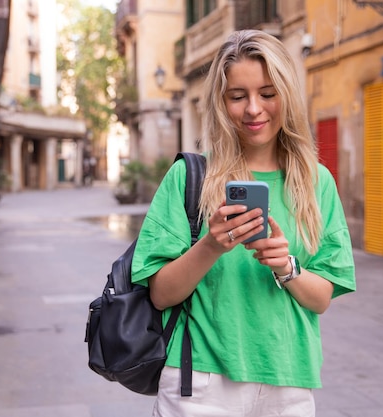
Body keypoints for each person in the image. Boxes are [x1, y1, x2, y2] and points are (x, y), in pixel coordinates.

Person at [131, 29, 356, 417]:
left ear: (287, 94)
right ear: (220, 102)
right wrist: (211, 245)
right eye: (238, 96)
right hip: (200, 383)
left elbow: (321, 299)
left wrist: (287, 267)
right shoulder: (190, 177)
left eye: (268, 93)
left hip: (289, 380)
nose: (254, 109)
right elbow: (160, 294)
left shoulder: (316, 181)